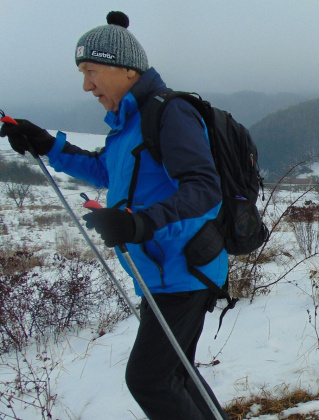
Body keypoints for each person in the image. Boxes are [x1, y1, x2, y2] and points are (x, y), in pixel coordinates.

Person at [0, 11, 230, 420]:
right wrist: (45, 144)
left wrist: (141, 223)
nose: (86, 85)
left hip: (185, 270)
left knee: (151, 379)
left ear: (125, 69)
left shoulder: (169, 113)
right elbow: (108, 171)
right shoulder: (128, 124)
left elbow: (204, 188)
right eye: (82, 73)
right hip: (159, 272)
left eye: (91, 71)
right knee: (174, 373)